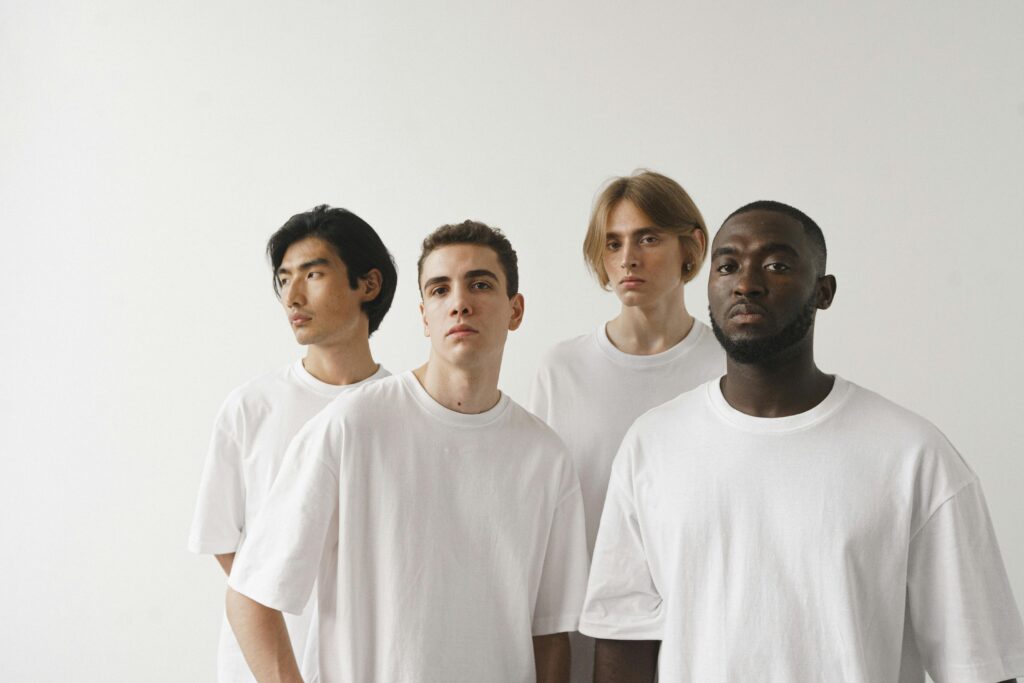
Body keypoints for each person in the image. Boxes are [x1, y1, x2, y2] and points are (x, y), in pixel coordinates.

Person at [580, 201, 1024, 682]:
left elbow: (979, 664)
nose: (747, 284)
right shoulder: (653, 444)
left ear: (823, 291)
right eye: (727, 266)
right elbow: (624, 642)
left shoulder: (913, 454)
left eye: (776, 265)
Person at [225, 221, 589, 683]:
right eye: (440, 290)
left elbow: (550, 631)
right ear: (424, 316)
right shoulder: (353, 425)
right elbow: (250, 595)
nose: (459, 302)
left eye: (480, 284)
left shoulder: (545, 455)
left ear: (515, 310)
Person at [528, 170, 724, 682]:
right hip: (582, 630)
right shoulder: (562, 369)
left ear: (692, 246)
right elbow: (539, 512)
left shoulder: (729, 368)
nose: (627, 258)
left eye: (648, 238)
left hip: (698, 630)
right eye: (612, 243)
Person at [187, 205, 397, 682]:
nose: (293, 296)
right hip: (264, 667)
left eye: (313, 274)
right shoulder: (252, 407)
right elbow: (224, 540)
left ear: (369, 284)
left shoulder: (404, 410)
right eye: (284, 280)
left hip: (372, 661)